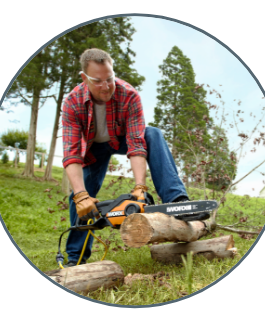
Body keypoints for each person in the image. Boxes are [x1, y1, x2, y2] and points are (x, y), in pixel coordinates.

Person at [62, 48, 189, 267]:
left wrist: (140, 187)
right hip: (93, 151)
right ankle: (76, 259)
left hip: (120, 139)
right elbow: (72, 152)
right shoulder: (72, 102)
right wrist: (81, 194)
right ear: (84, 78)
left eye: (109, 78)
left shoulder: (128, 94)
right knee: (80, 198)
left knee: (153, 134)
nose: (106, 86)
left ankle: (176, 200)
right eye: (98, 81)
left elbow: (136, 142)